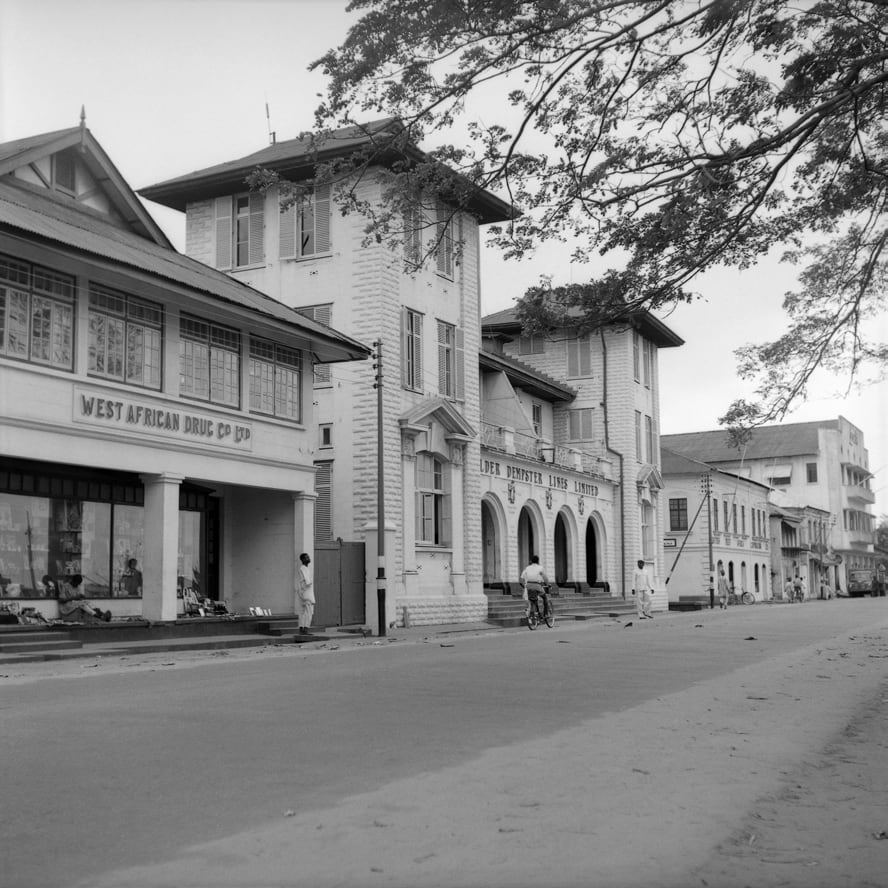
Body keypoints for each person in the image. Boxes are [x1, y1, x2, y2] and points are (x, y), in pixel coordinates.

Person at [520, 555, 550, 621]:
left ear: (531, 561)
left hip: (529, 586)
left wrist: (524, 586)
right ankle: (545, 614)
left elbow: (521, 578)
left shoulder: (527, 568)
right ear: (538, 561)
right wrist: (548, 584)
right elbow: (545, 577)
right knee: (545, 598)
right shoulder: (540, 568)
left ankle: (534, 614)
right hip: (537, 586)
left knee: (533, 600)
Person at [295, 553, 314, 633]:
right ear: (303, 560)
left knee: (302, 612)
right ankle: (305, 629)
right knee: (308, 612)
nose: (308, 558)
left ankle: (301, 628)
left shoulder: (302, 568)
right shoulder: (304, 568)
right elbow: (308, 582)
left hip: (303, 592)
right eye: (306, 557)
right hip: (306, 593)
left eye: (308, 557)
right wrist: (310, 581)